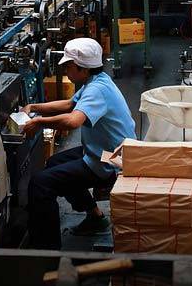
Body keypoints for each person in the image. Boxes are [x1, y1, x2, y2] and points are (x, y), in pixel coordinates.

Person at [22, 38, 135, 249]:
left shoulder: (96, 90)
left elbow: (73, 121)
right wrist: (33, 106)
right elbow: (69, 104)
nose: (65, 70)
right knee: (54, 162)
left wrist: (38, 122)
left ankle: (46, 251)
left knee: (40, 183)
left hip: (111, 161)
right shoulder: (97, 80)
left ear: (83, 69)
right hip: (102, 151)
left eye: (68, 66)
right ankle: (95, 217)